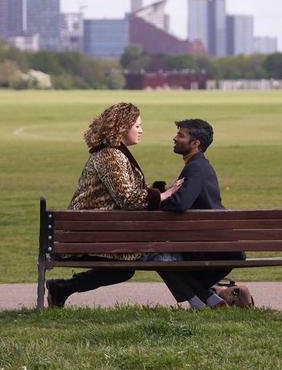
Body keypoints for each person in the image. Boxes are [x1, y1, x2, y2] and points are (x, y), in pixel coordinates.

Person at [46, 102, 182, 308]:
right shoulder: (110, 155)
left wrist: (158, 189)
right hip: (88, 235)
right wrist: (164, 195)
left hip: (94, 231)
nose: (141, 130)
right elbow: (127, 198)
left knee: (124, 268)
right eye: (137, 126)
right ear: (121, 127)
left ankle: (62, 288)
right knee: (131, 263)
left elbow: (124, 190)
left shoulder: (113, 152)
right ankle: (203, 298)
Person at [156, 118, 242, 309]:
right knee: (162, 255)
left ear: (195, 144)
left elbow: (180, 203)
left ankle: (200, 303)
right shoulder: (199, 165)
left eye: (181, 135)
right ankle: (209, 299)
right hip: (218, 245)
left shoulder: (195, 168)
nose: (175, 138)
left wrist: (157, 200)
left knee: (156, 255)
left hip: (215, 249)